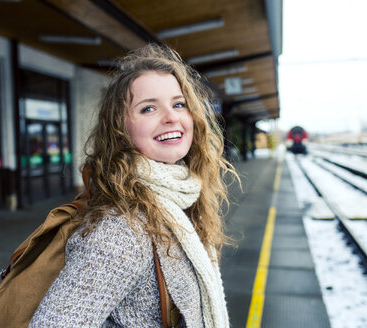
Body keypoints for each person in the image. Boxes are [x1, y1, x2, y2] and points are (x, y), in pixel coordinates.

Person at [28, 44, 238, 328]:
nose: (171, 117)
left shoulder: (181, 199)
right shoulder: (122, 229)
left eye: (178, 103)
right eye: (148, 108)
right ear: (121, 129)